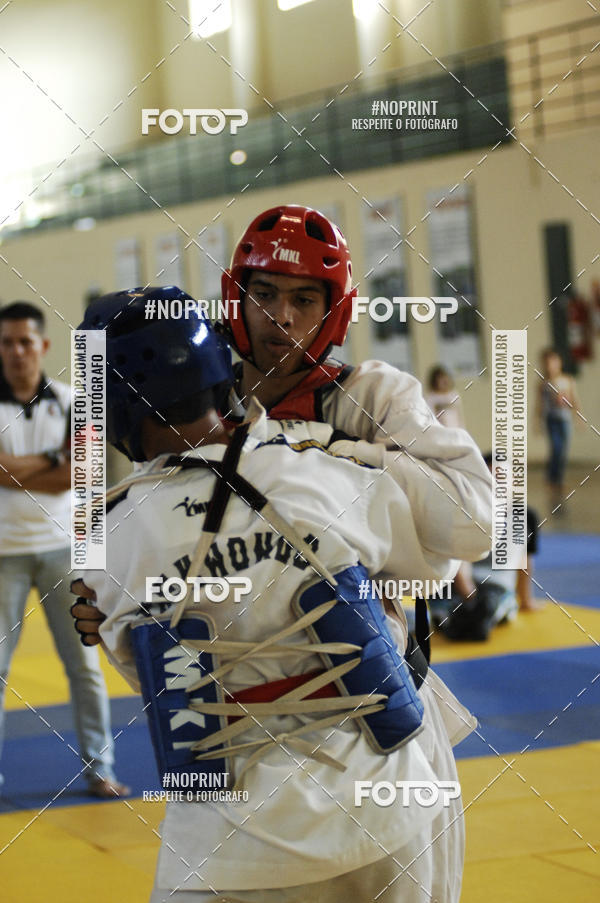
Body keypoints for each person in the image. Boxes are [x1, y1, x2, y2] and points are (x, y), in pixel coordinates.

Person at [72, 286, 476, 903]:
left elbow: (156, 676)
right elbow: (437, 570)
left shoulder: (105, 542)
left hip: (236, 847)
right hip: (392, 807)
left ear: (112, 409)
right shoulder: (324, 468)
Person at [0, 301, 129, 798]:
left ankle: (101, 768)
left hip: (63, 549)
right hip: (3, 554)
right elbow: (52, 470)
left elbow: (81, 473)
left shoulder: (75, 401)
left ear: (43, 346)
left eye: (24, 341)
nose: (16, 351)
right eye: (6, 342)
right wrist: (51, 460)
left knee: (85, 666)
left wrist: (18, 467)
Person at [536, 347, 582, 507]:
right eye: (547, 362)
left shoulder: (567, 380)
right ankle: (551, 478)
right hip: (552, 420)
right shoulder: (543, 383)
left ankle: (559, 479)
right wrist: (537, 422)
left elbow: (575, 401)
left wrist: (578, 419)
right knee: (556, 448)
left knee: (563, 450)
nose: (551, 365)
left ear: (559, 363)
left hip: (565, 420)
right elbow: (540, 405)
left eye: (554, 362)